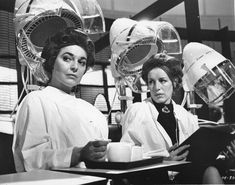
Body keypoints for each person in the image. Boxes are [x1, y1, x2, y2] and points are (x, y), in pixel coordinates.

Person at [12, 27, 109, 172]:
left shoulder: (94, 113)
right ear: (52, 61)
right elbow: (31, 159)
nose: (75, 67)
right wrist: (78, 154)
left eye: (82, 62)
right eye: (67, 59)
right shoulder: (36, 101)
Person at [120, 53, 223, 184]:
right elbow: (124, 157)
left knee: (211, 170)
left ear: (174, 82)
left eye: (162, 81)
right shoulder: (137, 111)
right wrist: (163, 160)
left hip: (184, 176)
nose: (156, 88)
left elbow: (197, 153)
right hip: (152, 177)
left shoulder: (186, 116)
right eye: (151, 82)